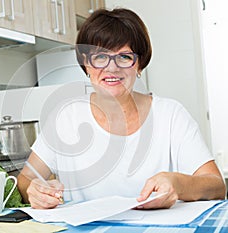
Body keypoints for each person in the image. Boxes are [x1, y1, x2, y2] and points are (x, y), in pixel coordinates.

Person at [17, 8, 226, 209]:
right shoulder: (66, 117)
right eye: (100, 57)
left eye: (124, 57)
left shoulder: (170, 115)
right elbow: (26, 179)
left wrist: (178, 184)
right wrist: (34, 191)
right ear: (86, 65)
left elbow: (217, 186)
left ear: (139, 64)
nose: (112, 67)